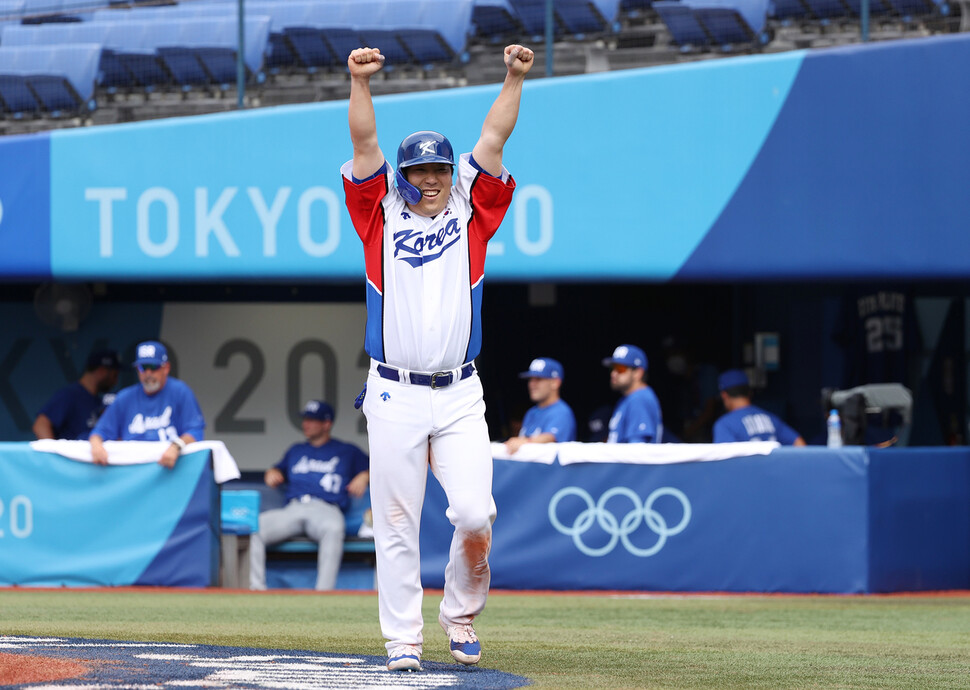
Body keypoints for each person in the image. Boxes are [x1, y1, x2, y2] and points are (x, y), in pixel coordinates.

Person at [343, 43, 534, 672]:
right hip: (393, 390)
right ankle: (403, 639)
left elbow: (494, 137)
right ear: (403, 175)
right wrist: (360, 84)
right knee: (396, 523)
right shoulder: (378, 212)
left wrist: (512, 78)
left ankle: (460, 615)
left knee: (476, 514)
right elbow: (364, 144)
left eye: (440, 170)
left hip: (459, 391)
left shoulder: (470, 210)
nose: (431, 179)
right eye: (420, 170)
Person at [249, 400, 369, 592]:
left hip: (326, 508)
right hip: (294, 508)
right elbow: (276, 470)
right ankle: (256, 589)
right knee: (254, 527)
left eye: (312, 420)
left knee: (333, 529)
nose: (306, 424)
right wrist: (272, 472)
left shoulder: (347, 451)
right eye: (305, 419)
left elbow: (379, 467)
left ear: (326, 424)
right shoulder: (296, 450)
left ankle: (323, 593)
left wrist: (364, 475)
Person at [89, 340, 205, 468]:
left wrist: (176, 446)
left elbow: (195, 431)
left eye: (153, 367)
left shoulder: (180, 391)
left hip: (171, 468)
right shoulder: (125, 397)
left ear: (166, 368)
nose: (148, 373)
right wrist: (96, 446)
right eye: (143, 367)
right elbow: (100, 431)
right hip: (133, 470)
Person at [33, 349, 120, 440]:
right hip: (69, 448)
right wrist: (52, 448)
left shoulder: (98, 401)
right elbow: (40, 425)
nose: (115, 382)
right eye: (114, 375)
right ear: (101, 371)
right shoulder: (69, 395)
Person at [713, 369, 806, 445]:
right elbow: (799, 443)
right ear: (749, 392)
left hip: (747, 464)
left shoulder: (725, 424)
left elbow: (726, 459)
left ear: (724, 395)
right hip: (772, 463)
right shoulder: (770, 418)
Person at [504, 357, 576, 454]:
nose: (532, 384)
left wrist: (524, 442)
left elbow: (550, 437)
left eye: (538, 379)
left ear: (555, 383)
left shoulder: (561, 411)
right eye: (531, 379)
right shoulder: (531, 412)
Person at [602, 344, 664, 443]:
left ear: (638, 373)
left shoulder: (639, 399)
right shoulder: (628, 399)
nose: (613, 373)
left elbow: (637, 449)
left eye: (620, 369)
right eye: (612, 368)